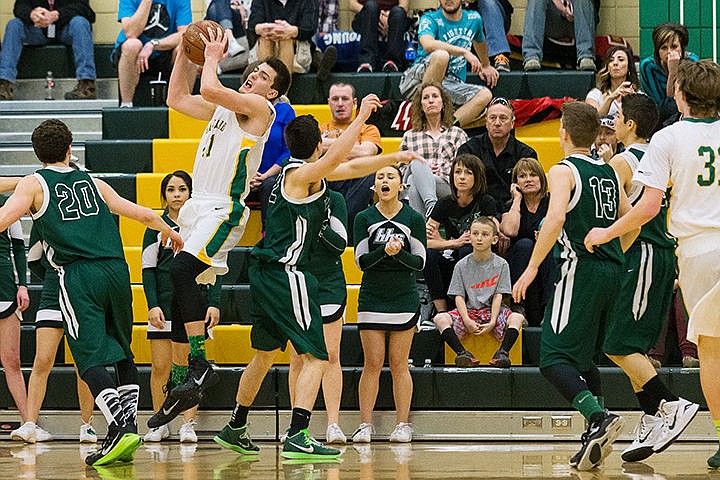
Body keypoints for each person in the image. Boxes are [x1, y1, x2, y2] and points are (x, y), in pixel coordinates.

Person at [212, 97, 422, 459]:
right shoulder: (299, 175)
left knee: (263, 355)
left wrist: (394, 158)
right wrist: (361, 118)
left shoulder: (290, 175)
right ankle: (297, 433)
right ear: (318, 145)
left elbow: (350, 168)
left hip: (265, 273)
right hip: (286, 273)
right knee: (318, 356)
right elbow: (336, 160)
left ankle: (235, 424)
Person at [0, 119, 184, 466]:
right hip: (116, 270)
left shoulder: (34, 184)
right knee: (122, 351)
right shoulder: (94, 182)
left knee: (87, 357)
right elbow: (142, 213)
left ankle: (119, 423)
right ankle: (124, 431)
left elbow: (4, 219)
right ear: (71, 149)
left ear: (37, 153)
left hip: (78, 275)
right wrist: (170, 232)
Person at [146, 25, 292, 429]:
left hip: (223, 208)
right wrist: (183, 54)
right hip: (196, 208)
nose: (253, 75)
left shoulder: (262, 112)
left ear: (273, 93)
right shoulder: (225, 110)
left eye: (263, 76)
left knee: (180, 271)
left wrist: (209, 56)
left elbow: (209, 88)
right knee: (178, 296)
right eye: (253, 70)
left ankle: (199, 363)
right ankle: (181, 386)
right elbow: (177, 98)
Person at [584, 60, 720, 470]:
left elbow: (647, 207)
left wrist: (604, 234)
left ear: (680, 94)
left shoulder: (668, 137)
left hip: (698, 250)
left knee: (712, 351)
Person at [512, 101, 635, 471]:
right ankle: (594, 433)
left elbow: (555, 218)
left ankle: (598, 418)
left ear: (563, 133)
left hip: (579, 270)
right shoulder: (610, 171)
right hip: (614, 270)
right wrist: (612, 250)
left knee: (551, 357)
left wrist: (532, 267)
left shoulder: (564, 170)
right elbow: (633, 222)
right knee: (583, 358)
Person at [596, 93, 700, 463]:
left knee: (618, 344)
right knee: (630, 346)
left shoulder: (624, 163)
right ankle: (652, 415)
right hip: (661, 255)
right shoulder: (662, 157)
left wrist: (607, 251)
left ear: (631, 125)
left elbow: (620, 217)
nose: (613, 120)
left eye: (618, 115)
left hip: (640, 255)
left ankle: (671, 405)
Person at [142, 171, 222, 443]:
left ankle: (188, 424)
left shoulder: (203, 224)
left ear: (191, 193)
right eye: (171, 189)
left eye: (182, 189)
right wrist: (152, 304)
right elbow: (147, 269)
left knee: (192, 369)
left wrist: (215, 303)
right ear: (164, 195)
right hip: (163, 307)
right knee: (160, 367)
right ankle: (159, 423)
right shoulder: (155, 226)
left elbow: (215, 264)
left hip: (193, 306)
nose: (177, 194)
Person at [352, 164, 426, 443]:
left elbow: (420, 263)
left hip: (404, 297)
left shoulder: (413, 218)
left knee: (399, 364)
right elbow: (361, 262)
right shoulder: (363, 217)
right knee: (372, 363)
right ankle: (364, 424)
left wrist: (397, 255)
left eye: (390, 176)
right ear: (374, 186)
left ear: (400, 185)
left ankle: (402, 424)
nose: (385, 180)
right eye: (380, 177)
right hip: (372, 296)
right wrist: (386, 250)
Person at [13, 198, 96, 444]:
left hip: (83, 293)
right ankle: (29, 423)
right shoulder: (42, 219)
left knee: (84, 363)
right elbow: (34, 260)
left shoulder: (89, 216)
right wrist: (55, 274)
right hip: (51, 294)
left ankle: (87, 425)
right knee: (42, 360)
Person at [288, 189, 348, 444]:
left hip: (330, 283)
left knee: (331, 355)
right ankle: (297, 428)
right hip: (297, 280)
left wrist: (319, 224)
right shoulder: (288, 197)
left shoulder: (334, 200)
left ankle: (333, 424)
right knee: (299, 358)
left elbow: (340, 244)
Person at [434, 216, 523, 367]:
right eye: (475, 234)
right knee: (440, 319)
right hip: (469, 311)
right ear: (470, 236)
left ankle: (502, 354)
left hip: (492, 311)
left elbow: (498, 296)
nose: (479, 238)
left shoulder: (501, 264)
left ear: (494, 239)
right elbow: (459, 297)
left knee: (517, 318)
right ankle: (462, 354)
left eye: (485, 234)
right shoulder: (461, 265)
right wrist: (467, 320)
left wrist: (493, 321)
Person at [398, 0, 499, 128]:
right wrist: (464, 52)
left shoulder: (474, 19)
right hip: (417, 81)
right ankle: (423, 122)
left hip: (450, 83)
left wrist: (485, 65)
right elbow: (428, 44)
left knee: (485, 95)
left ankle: (445, 128)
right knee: (442, 56)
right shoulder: (430, 18)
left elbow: (479, 40)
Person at [425, 153, 498, 314]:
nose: (462, 177)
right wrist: (452, 243)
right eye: (458, 172)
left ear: (477, 177)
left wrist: (462, 243)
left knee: (467, 251)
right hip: (453, 254)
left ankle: (470, 308)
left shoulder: (486, 202)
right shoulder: (444, 203)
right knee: (429, 255)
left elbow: (487, 238)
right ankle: (441, 313)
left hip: (480, 260)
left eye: (468, 173)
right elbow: (424, 242)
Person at [0, 0, 97, 100]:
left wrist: (56, 14)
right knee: (14, 25)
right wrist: (32, 14)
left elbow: (86, 10)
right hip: (38, 29)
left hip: (65, 29)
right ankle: (4, 85)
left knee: (81, 23)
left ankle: (86, 85)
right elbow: (19, 7)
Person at [320, 83, 383, 238]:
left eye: (345, 99)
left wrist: (328, 146)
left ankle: (341, 227)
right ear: (329, 102)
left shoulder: (368, 129)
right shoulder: (318, 128)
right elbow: (313, 149)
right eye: (335, 99)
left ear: (354, 103)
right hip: (327, 178)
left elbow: (366, 153)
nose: (340, 103)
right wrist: (352, 146)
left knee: (369, 173)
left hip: (355, 179)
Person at [400, 81, 468, 218]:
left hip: (448, 186)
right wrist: (423, 170)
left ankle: (421, 223)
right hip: (415, 186)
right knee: (415, 174)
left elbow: (464, 167)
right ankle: (431, 209)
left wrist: (437, 171)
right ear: (421, 106)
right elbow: (401, 167)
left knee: (418, 169)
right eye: (425, 98)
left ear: (443, 103)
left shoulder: (457, 134)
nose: (430, 100)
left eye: (435, 96)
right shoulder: (410, 136)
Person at [457, 97, 537, 208]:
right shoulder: (468, 150)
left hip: (515, 209)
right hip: (478, 210)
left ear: (512, 123)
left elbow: (531, 192)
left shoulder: (526, 154)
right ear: (486, 122)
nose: (497, 123)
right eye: (492, 118)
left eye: (503, 118)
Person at [500, 157, 552, 327]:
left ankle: (549, 309)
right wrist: (516, 199)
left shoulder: (552, 202)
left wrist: (547, 236)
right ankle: (518, 308)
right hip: (519, 257)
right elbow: (510, 230)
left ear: (541, 179)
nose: (528, 179)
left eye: (533, 175)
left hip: (547, 255)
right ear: (516, 183)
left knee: (545, 248)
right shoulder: (511, 204)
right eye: (522, 176)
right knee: (524, 244)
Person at [112, 0, 192, 107]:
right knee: (132, 45)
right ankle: (126, 104)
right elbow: (131, 32)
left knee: (187, 51)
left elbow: (184, 34)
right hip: (134, 55)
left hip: (165, 52)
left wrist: (153, 44)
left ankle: (184, 106)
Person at [0, 212, 30, 435]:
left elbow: (19, 249)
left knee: (12, 361)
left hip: (5, 289)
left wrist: (22, 285)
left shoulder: (11, 206)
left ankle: (29, 423)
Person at [640, 23, 698, 123]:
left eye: (674, 47)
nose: (669, 52)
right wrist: (672, 73)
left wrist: (675, 70)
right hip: (658, 119)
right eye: (664, 48)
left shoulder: (691, 62)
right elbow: (659, 108)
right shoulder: (648, 66)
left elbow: (689, 102)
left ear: (682, 48)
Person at [247, 0, 319, 76]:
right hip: (265, 46)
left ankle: (283, 83)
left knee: (286, 40)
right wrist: (264, 29)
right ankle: (263, 82)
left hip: (297, 54)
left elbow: (309, 28)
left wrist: (292, 31)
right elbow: (253, 25)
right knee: (266, 39)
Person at [522, 0, 597, 72]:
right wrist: (560, 6)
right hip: (552, 20)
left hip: (579, 21)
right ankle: (531, 57)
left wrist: (571, 7)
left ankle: (586, 56)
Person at [349, 0, 409, 73]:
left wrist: (387, 16)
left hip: (392, 16)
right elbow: (352, 5)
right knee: (371, 7)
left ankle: (392, 62)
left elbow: (404, 6)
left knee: (399, 12)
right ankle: (367, 62)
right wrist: (377, 15)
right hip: (367, 14)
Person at [585, 46, 639, 116]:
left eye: (621, 60)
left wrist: (633, 101)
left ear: (629, 67)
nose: (615, 63)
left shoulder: (638, 95)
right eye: (611, 60)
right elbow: (595, 120)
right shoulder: (595, 95)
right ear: (607, 67)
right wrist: (611, 98)